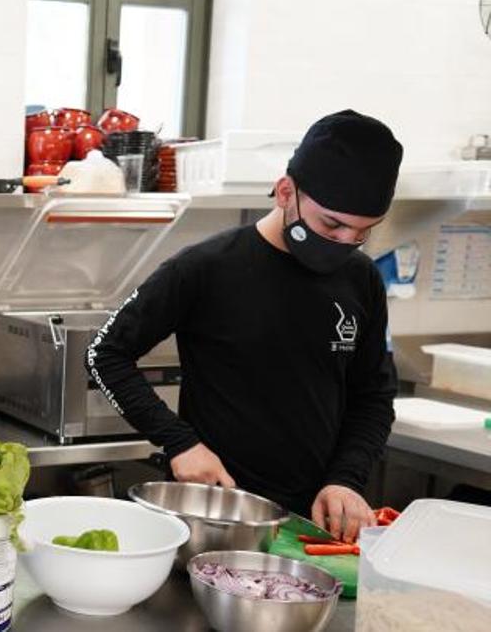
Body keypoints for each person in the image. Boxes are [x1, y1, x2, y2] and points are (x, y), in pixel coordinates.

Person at [87, 109, 402, 543]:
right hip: (216, 513)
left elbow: (373, 396)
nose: (345, 243)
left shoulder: (362, 280)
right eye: (332, 224)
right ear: (285, 191)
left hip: (312, 522)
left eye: (362, 233)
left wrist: (346, 479)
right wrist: (179, 442)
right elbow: (104, 355)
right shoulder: (207, 267)